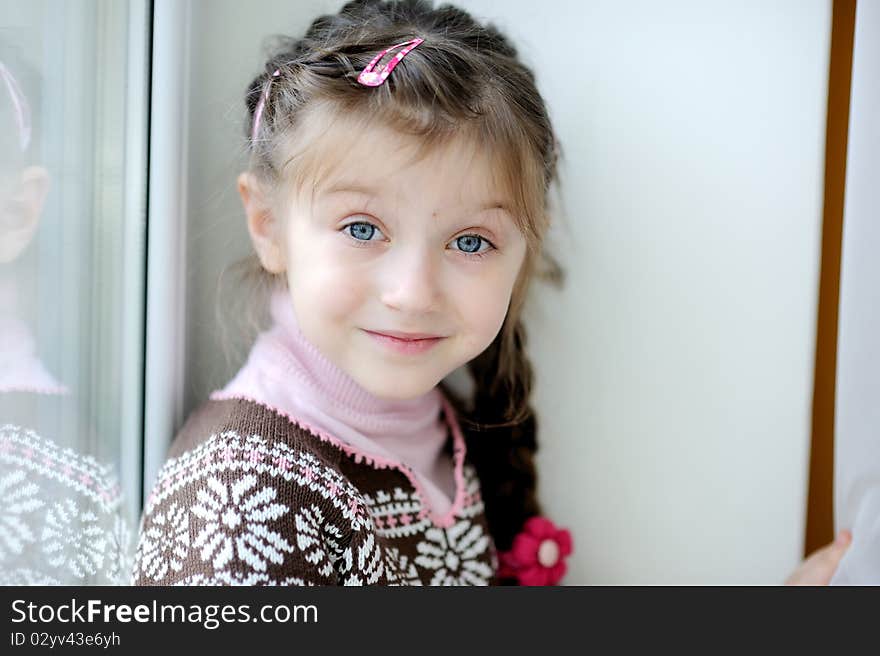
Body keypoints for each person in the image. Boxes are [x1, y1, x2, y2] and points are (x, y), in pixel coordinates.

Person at [131, 0, 847, 586]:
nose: (412, 292)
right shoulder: (241, 510)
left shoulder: (439, 427)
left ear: (522, 250)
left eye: (470, 242)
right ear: (268, 225)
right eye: (361, 227)